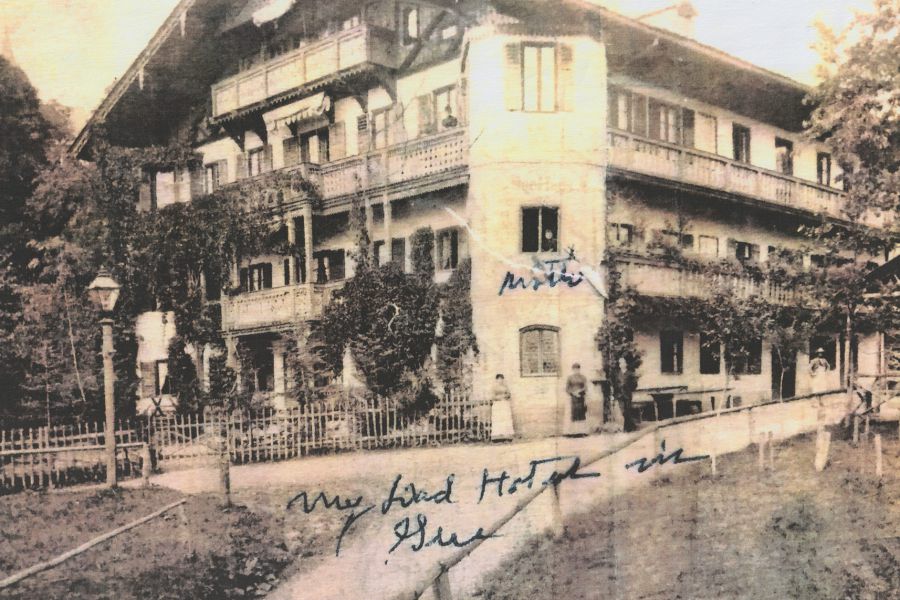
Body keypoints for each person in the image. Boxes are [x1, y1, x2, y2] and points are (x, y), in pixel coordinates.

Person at [491, 374, 514, 441]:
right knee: (498, 419)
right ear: (496, 380)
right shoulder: (494, 388)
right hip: (497, 404)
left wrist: (505, 396)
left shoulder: (505, 387)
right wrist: (499, 397)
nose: (500, 380)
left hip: (504, 404)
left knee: (505, 418)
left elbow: (509, 394)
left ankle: (506, 435)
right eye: (498, 379)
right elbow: (492, 397)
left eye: (501, 379)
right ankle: (497, 436)